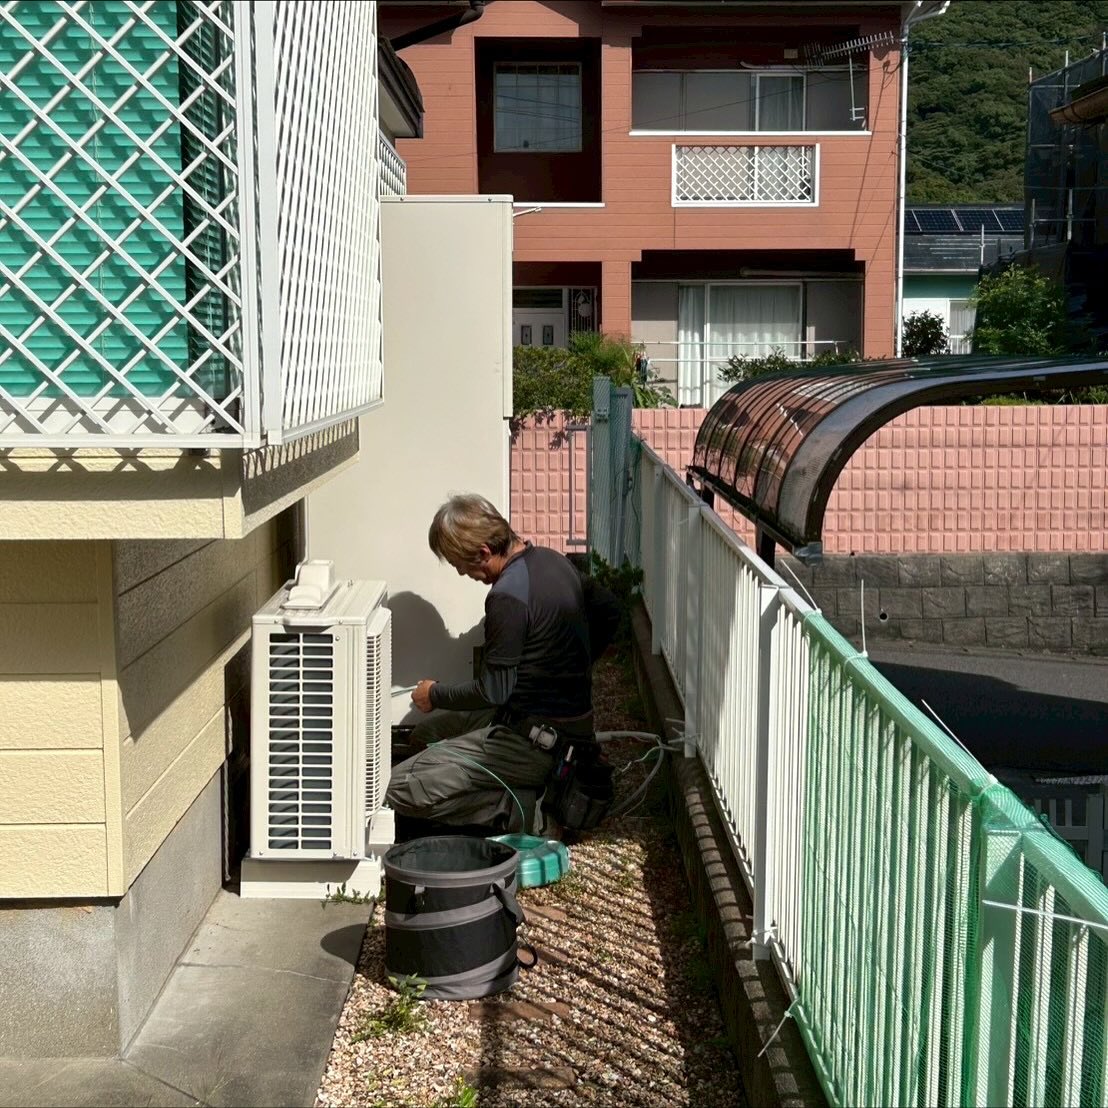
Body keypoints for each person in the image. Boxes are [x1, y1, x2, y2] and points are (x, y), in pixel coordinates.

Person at [385, 493, 620, 839]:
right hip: (545, 723)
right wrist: (569, 667)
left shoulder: (506, 597)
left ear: (483, 553)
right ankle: (521, 788)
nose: (462, 573)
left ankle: (521, 810)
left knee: (394, 789)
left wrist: (434, 694)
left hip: (536, 744)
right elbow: (610, 611)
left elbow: (493, 690)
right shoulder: (553, 560)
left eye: (461, 565)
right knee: (425, 737)